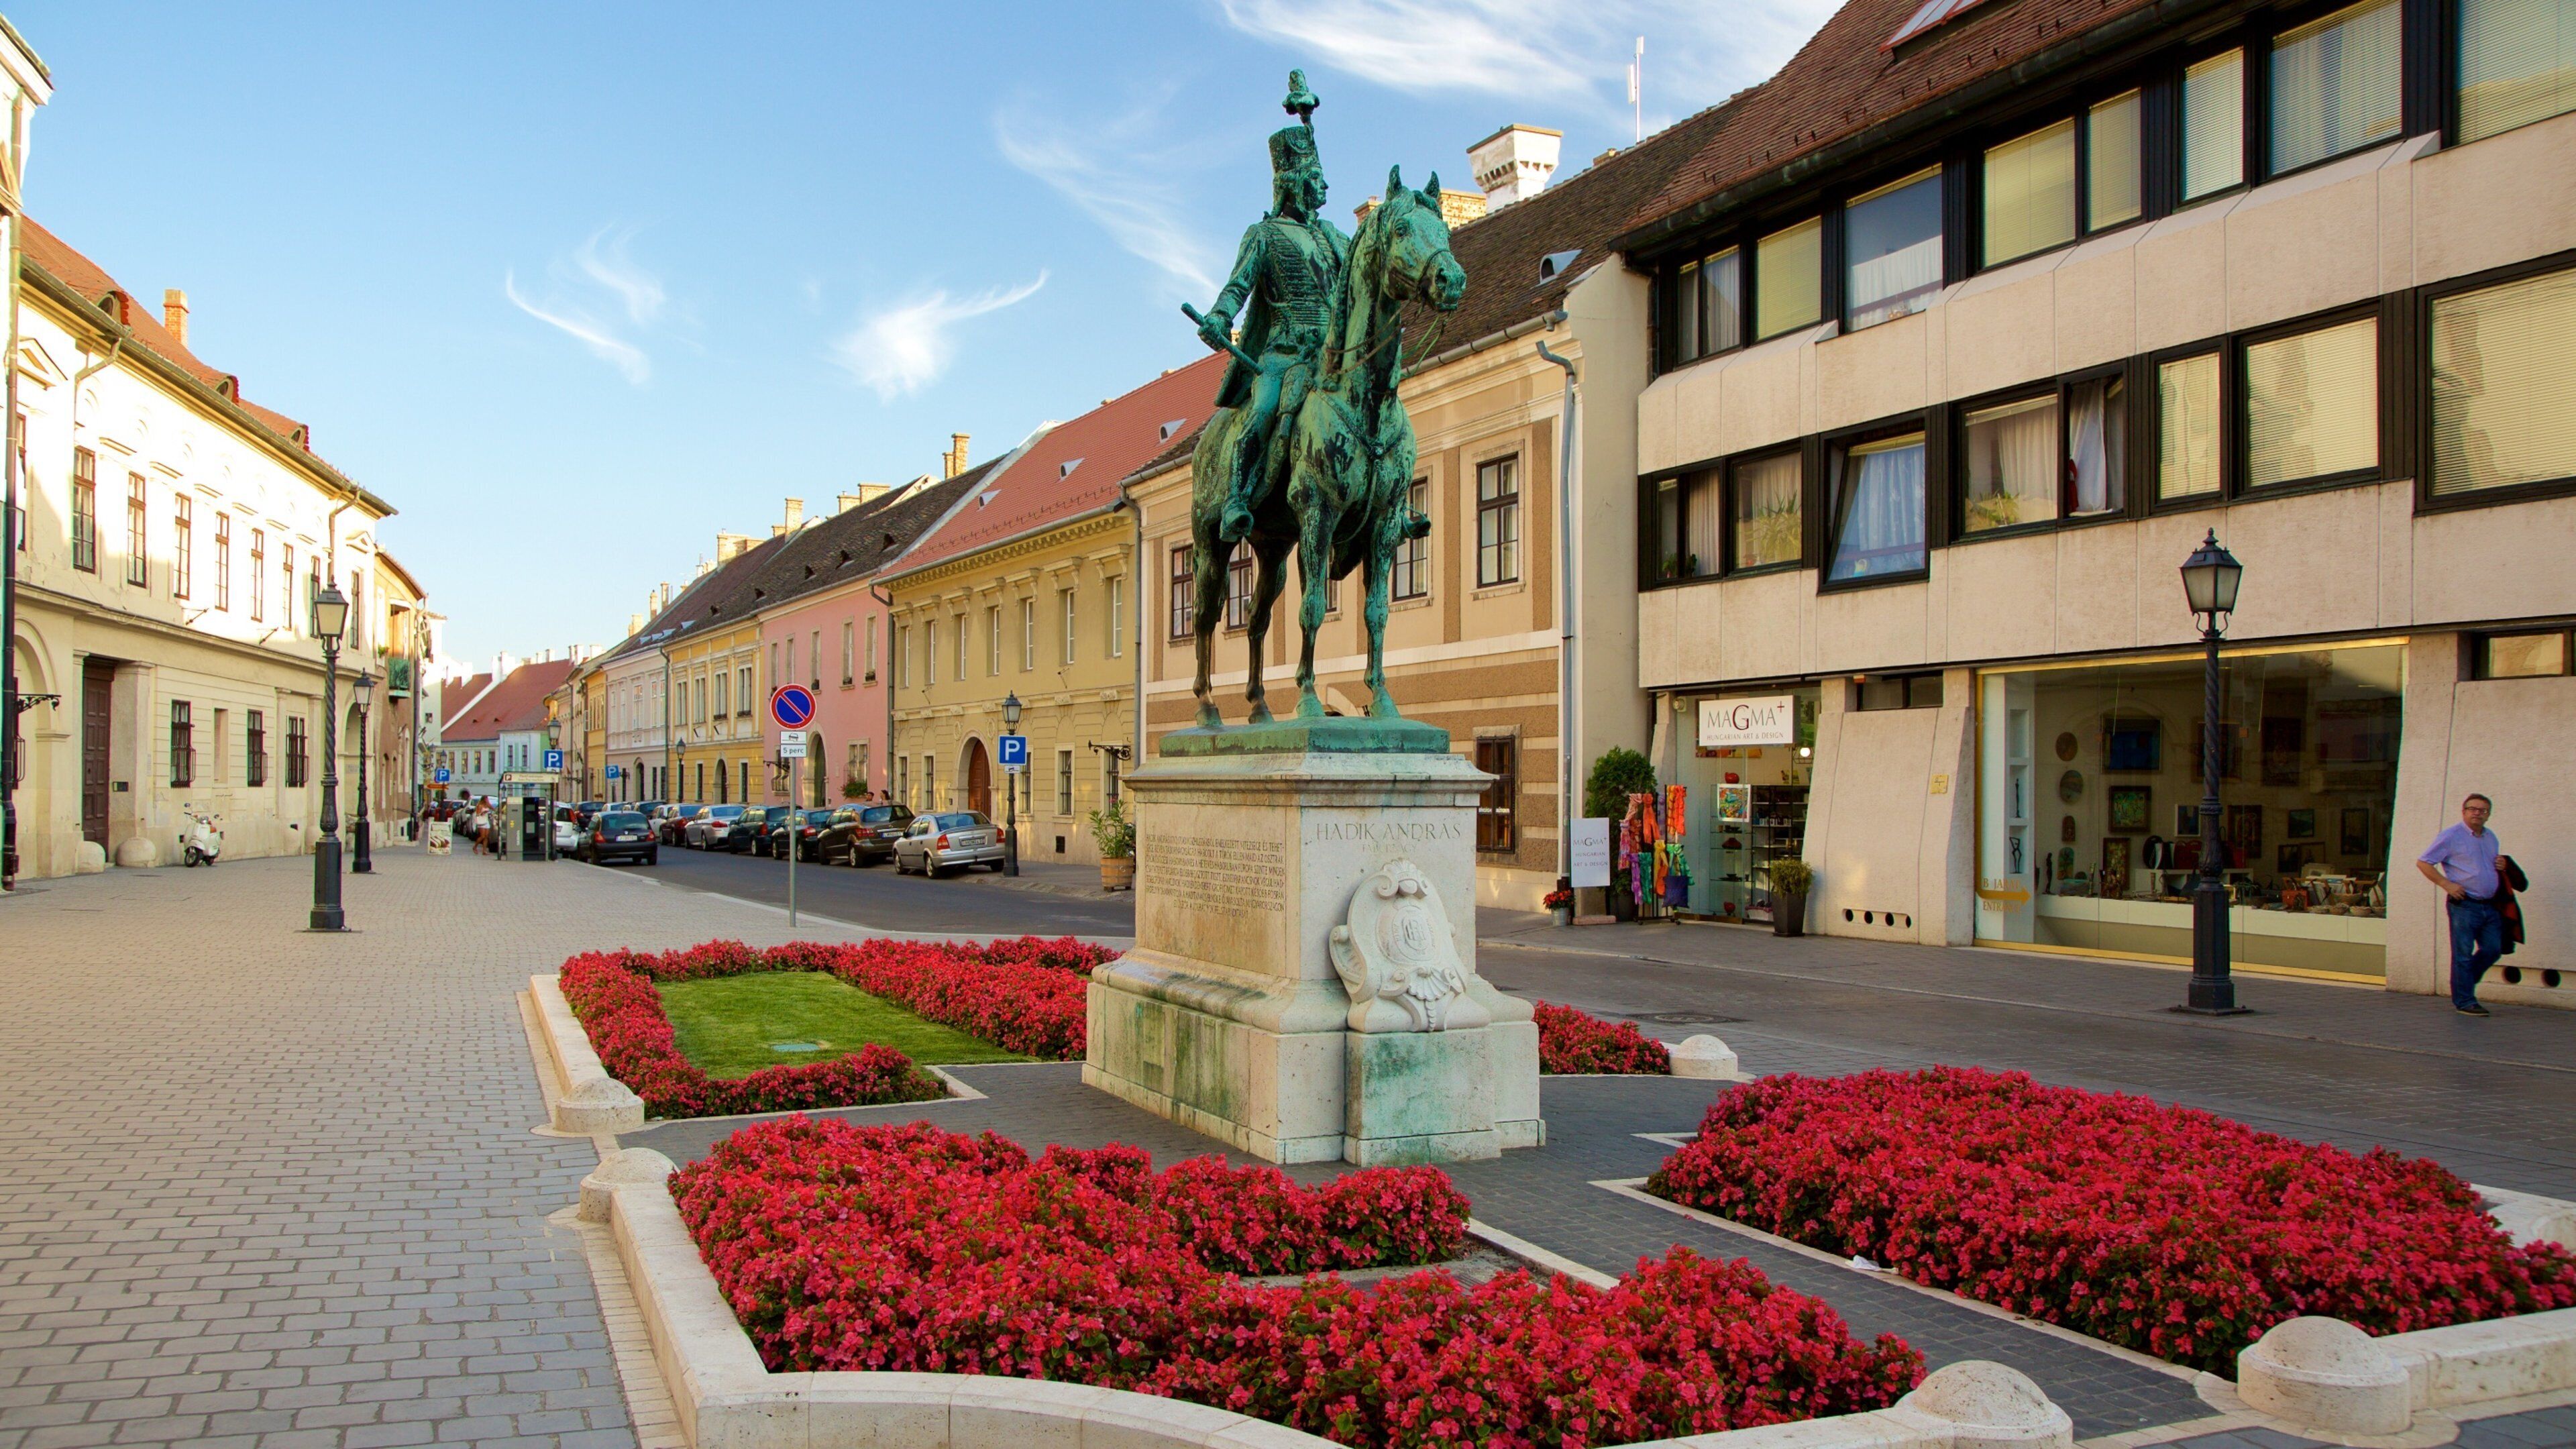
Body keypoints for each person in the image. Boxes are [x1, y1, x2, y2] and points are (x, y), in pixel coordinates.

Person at [2416, 794, 2506, 1015]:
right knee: (2463, 954)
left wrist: (2501, 864)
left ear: (2489, 815)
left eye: (2483, 810)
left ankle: (2461, 985)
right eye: (2472, 809)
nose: (2477, 813)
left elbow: (2487, 866)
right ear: (2464, 811)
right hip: (2465, 904)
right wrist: (2446, 885)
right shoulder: (2451, 836)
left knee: (2493, 949)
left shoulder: (2490, 837)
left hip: (2490, 904)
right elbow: (2424, 862)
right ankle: (2465, 1001)